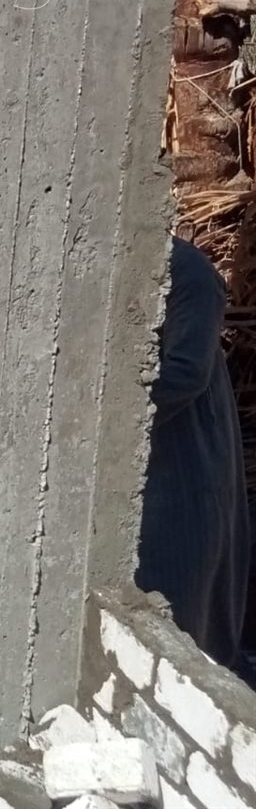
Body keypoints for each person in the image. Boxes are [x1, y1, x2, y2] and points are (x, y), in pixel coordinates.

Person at [137, 236, 251, 672]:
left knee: (180, 590)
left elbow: (185, 372)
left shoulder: (187, 272)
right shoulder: (118, 265)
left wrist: (103, 416)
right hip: (148, 462)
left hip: (186, 459)